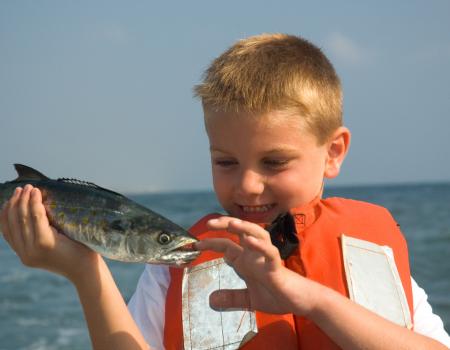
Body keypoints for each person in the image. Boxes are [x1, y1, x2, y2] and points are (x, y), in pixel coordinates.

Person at [1, 33, 449, 350]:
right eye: (225, 162)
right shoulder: (176, 265)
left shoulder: (371, 253)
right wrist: (86, 272)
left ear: (333, 152)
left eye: (274, 162)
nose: (247, 185)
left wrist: (312, 300)